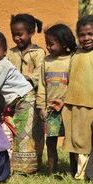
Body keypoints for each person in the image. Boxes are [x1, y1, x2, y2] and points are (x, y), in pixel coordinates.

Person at [0, 29, 38, 174]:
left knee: (23, 134)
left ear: (5, 51)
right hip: (17, 102)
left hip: (25, 100)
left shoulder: (3, 65)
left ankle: (25, 170)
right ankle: (15, 166)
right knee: (17, 132)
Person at [36, 24, 77, 174]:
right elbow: (41, 85)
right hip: (51, 110)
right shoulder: (46, 62)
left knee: (72, 140)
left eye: (51, 44)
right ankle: (52, 170)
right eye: (47, 43)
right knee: (51, 140)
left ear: (64, 43)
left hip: (69, 109)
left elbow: (75, 84)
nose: (48, 47)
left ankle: (75, 170)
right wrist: (41, 106)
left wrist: (67, 102)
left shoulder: (73, 60)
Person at [7, 13, 45, 167]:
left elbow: (40, 73)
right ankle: (13, 164)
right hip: (12, 100)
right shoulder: (10, 53)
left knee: (30, 132)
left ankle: (32, 165)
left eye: (20, 34)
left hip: (31, 100)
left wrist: (26, 80)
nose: (17, 38)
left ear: (31, 33)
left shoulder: (38, 53)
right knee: (14, 130)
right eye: (14, 35)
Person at [62, 15, 93, 179]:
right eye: (82, 34)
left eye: (90, 34)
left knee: (87, 141)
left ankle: (85, 173)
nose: (86, 38)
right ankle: (77, 171)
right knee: (76, 140)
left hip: (90, 104)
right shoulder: (75, 54)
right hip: (73, 103)